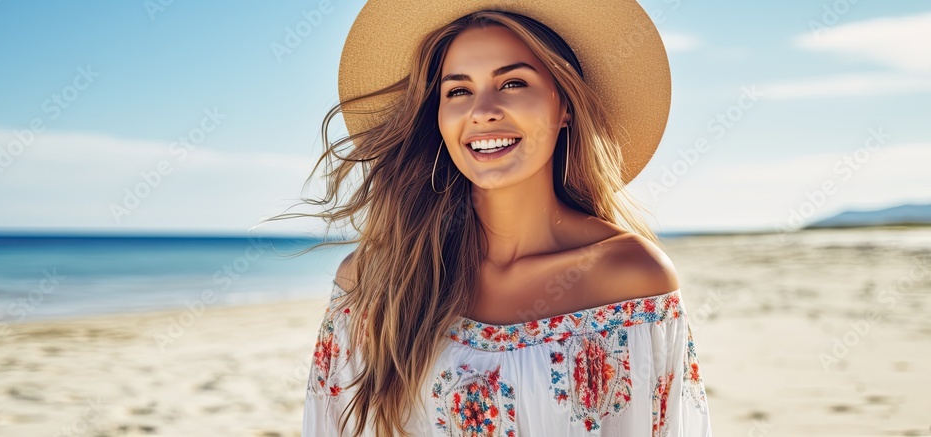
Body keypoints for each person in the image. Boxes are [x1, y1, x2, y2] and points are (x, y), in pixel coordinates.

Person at [294, 1, 712, 435]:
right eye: (458, 91)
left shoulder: (631, 277)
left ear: (565, 105)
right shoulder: (374, 283)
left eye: (512, 83)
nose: (483, 110)